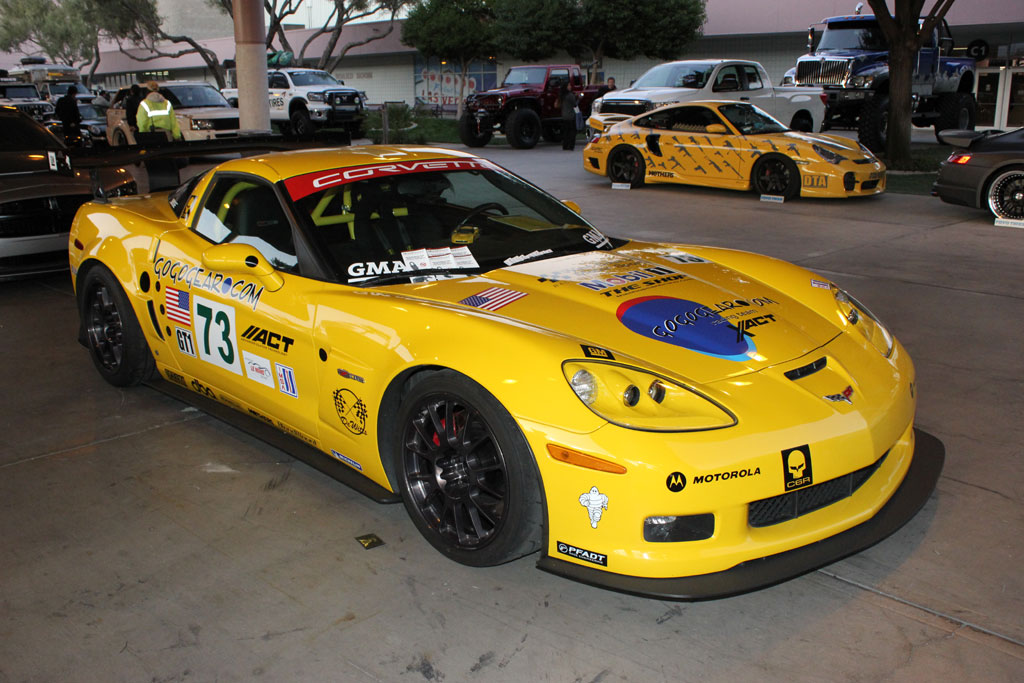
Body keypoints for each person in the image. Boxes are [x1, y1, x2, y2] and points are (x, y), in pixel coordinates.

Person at [559, 80, 578, 151]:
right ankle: (571, 145)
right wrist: (578, 98)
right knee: (572, 131)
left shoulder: (562, 95)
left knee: (566, 131)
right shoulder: (570, 95)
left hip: (564, 115)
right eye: (569, 85)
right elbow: (575, 104)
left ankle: (565, 145)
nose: (570, 87)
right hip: (571, 115)